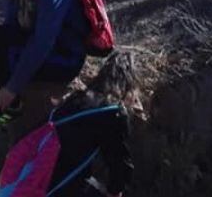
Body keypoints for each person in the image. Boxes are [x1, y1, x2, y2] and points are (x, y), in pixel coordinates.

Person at [41, 51, 141, 197]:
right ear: (130, 83)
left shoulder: (75, 99)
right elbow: (119, 164)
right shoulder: (112, 111)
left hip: (37, 179)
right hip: (62, 187)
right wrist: (116, 190)